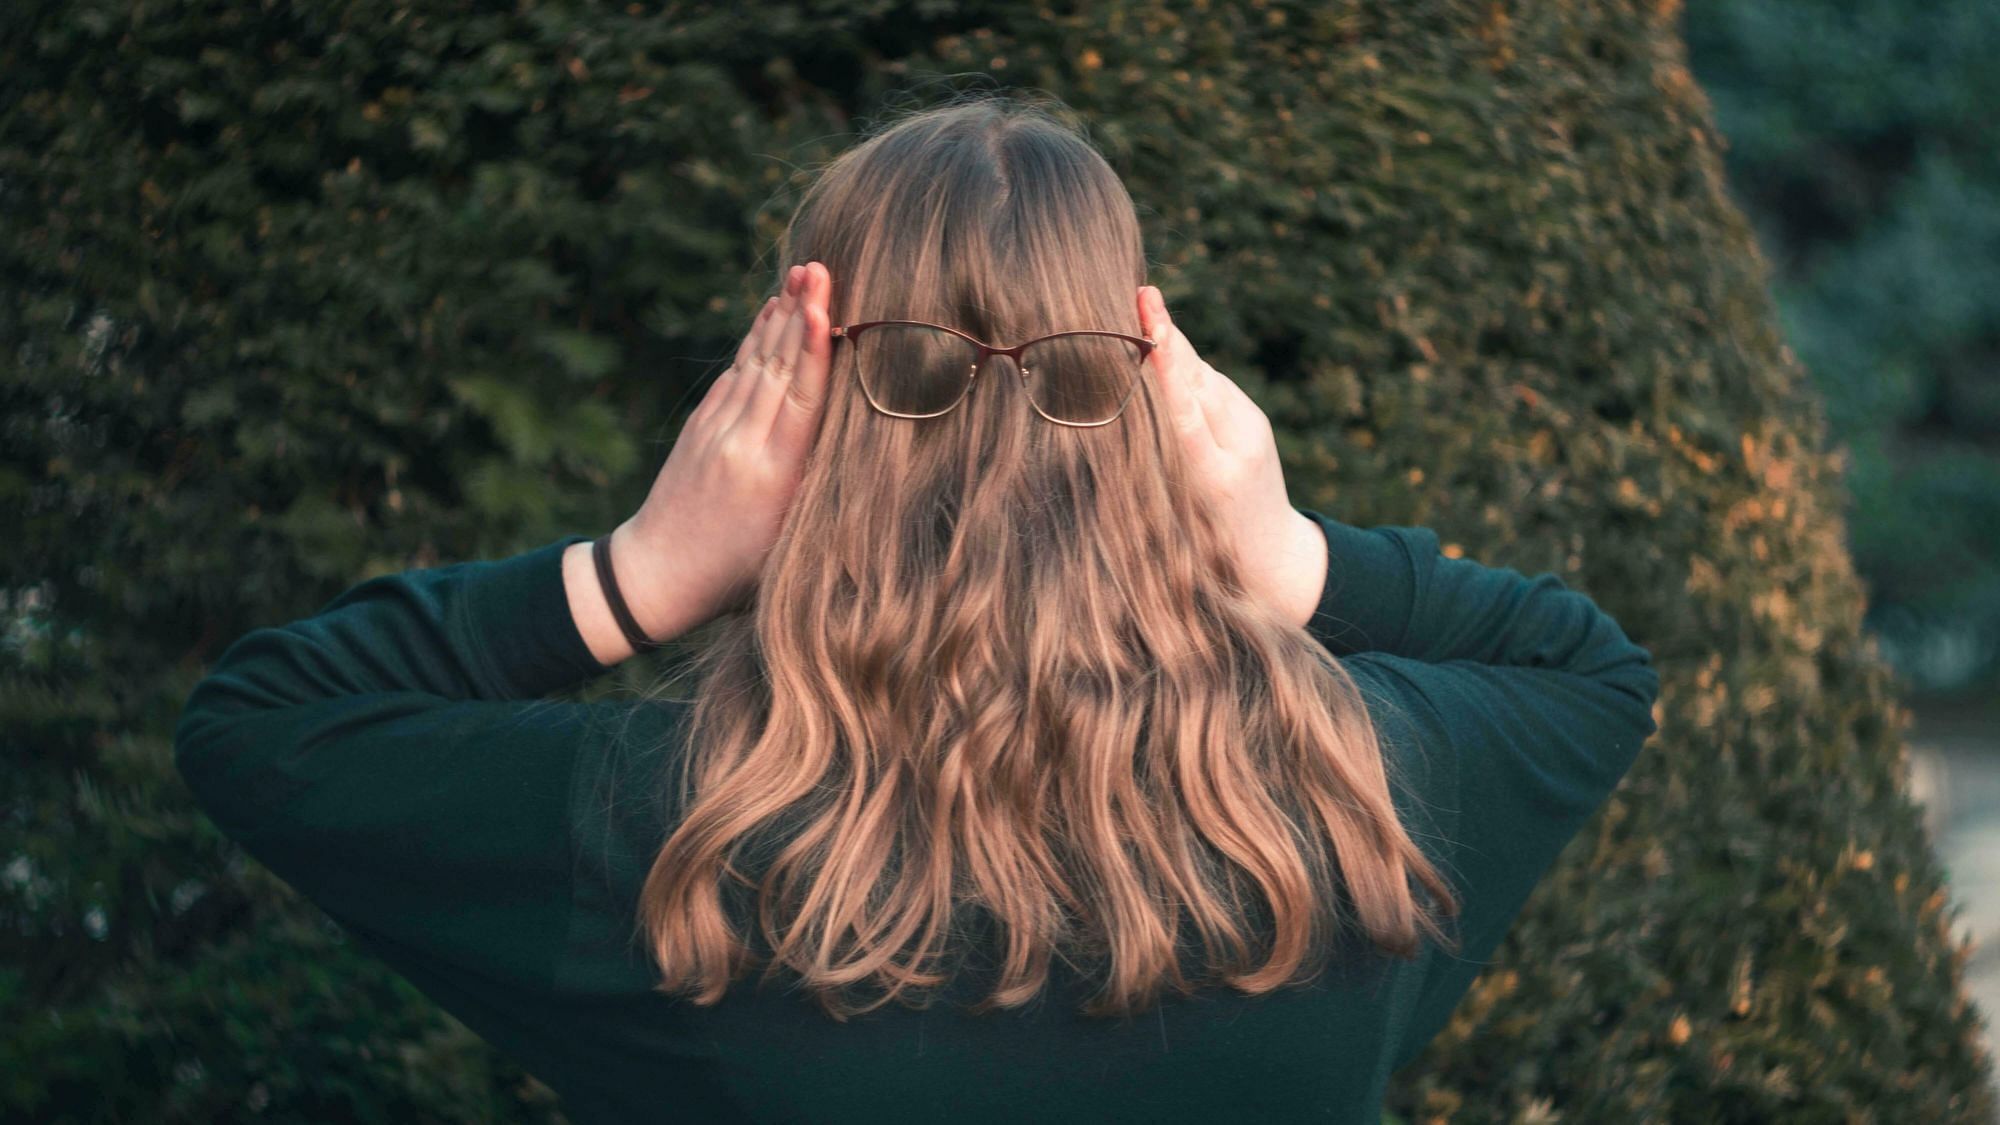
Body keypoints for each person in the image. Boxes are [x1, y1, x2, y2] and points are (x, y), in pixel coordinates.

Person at [174, 93, 1660, 1123]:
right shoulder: (1356, 797)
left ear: (808, 407)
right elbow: (1589, 666)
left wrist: (647, 568)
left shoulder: (667, 838)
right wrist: (1286, 556)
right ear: (1141, 396)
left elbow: (261, 725)